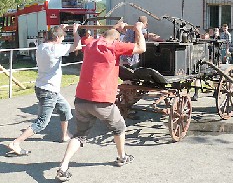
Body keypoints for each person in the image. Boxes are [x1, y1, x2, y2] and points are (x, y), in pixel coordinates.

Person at [55, 22, 146, 181]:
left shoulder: (90, 44)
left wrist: (77, 30)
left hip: (81, 100)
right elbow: (141, 48)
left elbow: (86, 37)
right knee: (119, 127)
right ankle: (122, 157)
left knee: (79, 135)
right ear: (115, 39)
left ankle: (63, 166)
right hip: (102, 100)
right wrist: (138, 29)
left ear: (102, 35)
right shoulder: (114, 47)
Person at [6, 24, 82, 157]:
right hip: (49, 91)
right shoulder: (55, 49)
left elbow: (54, 36)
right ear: (57, 37)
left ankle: (64, 135)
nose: (63, 41)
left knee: (65, 108)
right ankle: (16, 143)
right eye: (62, 38)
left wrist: (61, 28)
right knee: (42, 122)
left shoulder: (42, 46)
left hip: (43, 87)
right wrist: (75, 32)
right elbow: (78, 46)